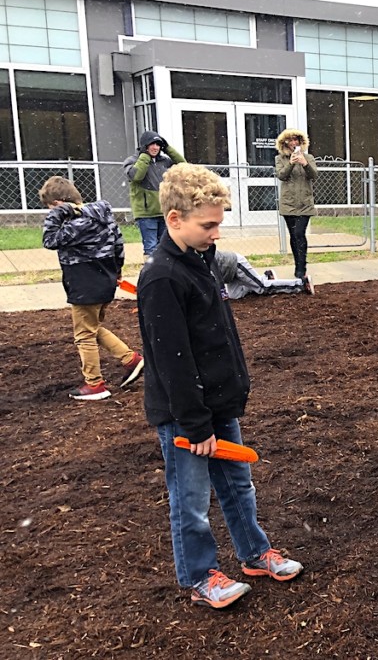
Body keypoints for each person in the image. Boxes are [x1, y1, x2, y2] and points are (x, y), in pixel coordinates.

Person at [137, 163, 303, 609]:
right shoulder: (161, 277)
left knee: (237, 485)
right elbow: (172, 361)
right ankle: (199, 576)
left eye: (218, 224)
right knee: (190, 501)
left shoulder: (200, 260)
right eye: (207, 225)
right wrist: (194, 424)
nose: (216, 233)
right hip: (185, 415)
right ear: (174, 219)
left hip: (218, 405)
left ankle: (254, 554)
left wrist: (226, 399)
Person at [41, 176, 145, 401]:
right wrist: (116, 273)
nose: (50, 213)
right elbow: (119, 245)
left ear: (59, 203)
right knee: (92, 327)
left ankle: (95, 384)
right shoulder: (104, 218)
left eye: (51, 208)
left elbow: (49, 240)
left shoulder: (74, 223)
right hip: (105, 279)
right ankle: (131, 359)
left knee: (83, 335)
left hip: (84, 283)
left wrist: (58, 214)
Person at [123, 130, 186, 256]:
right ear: (145, 146)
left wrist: (168, 149)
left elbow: (183, 166)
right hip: (146, 213)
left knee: (164, 246)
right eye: (152, 144)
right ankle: (150, 272)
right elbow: (137, 176)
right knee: (151, 247)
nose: (156, 147)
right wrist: (145, 156)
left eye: (158, 145)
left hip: (164, 211)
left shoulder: (164, 161)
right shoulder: (132, 161)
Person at [275, 128, 318, 278]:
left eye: (296, 140)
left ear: (301, 142)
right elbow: (281, 175)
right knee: (294, 236)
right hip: (288, 204)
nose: (294, 143)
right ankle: (298, 266)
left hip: (305, 203)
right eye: (290, 140)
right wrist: (291, 163)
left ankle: (302, 267)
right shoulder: (280, 159)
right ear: (285, 143)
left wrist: (305, 163)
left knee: (300, 233)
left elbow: (314, 175)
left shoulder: (309, 157)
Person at [214, 250, 314, 300]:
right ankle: (266, 277)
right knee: (235, 296)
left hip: (236, 264)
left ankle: (301, 283)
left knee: (262, 288)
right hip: (228, 275)